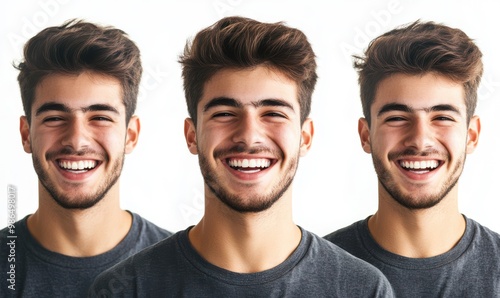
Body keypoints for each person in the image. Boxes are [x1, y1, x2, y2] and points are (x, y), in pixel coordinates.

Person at [89, 16, 393, 297]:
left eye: (273, 113)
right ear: (192, 135)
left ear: (304, 136)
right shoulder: (126, 288)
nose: (249, 136)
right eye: (224, 113)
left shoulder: (362, 288)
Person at [324, 20, 500, 297]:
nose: (420, 140)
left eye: (442, 117)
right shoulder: (317, 273)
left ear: (472, 135)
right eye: (397, 118)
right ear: (366, 135)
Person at [0, 19, 172, 297]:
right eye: (55, 118)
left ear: (130, 135)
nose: (77, 140)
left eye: (100, 118)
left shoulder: (181, 270)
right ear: (26, 133)